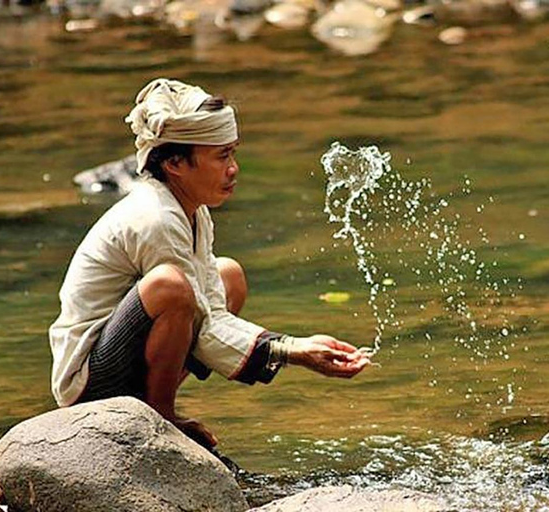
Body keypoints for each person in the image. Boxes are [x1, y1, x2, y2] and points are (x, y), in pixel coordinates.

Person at [49, 78, 370, 451]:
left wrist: (292, 348)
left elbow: (210, 313)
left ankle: (158, 408)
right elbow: (196, 314)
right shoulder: (155, 218)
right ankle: (160, 415)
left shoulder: (193, 212)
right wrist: (294, 351)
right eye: (221, 157)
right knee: (170, 287)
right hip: (91, 383)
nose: (233, 169)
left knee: (228, 275)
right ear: (174, 163)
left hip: (127, 361)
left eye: (233, 154)